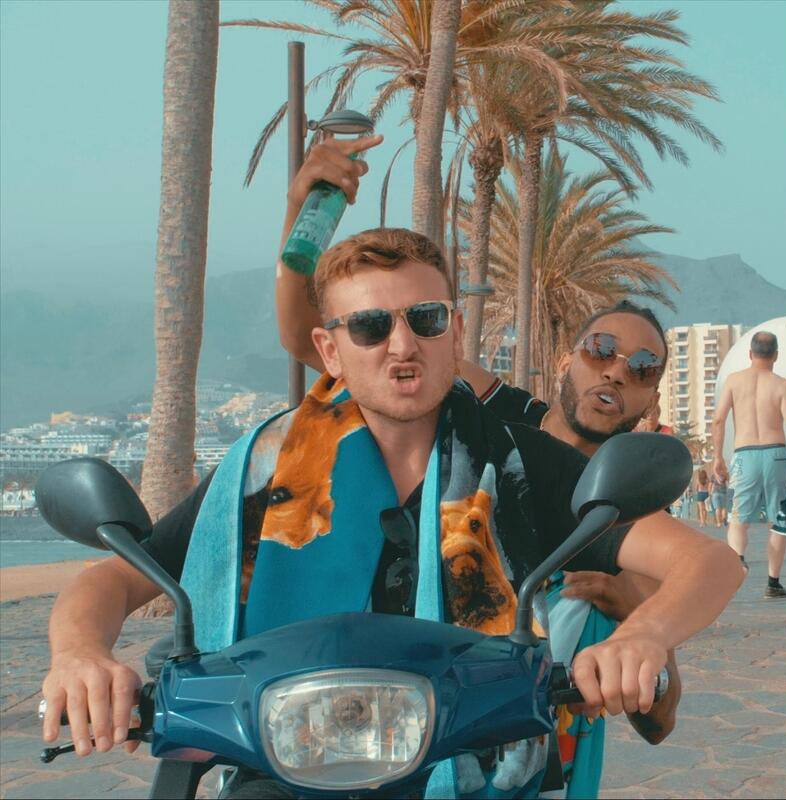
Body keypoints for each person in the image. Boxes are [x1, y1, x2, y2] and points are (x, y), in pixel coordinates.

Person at [42, 150, 742, 800]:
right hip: (283, 768)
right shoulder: (265, 466)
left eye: (425, 319)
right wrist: (80, 656)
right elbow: (115, 577)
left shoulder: (520, 463)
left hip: (476, 769)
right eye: (371, 327)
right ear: (331, 349)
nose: (402, 345)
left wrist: (643, 635)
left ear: (455, 333)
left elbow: (708, 562)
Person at [267, 140, 720, 795]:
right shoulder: (495, 425)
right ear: (567, 359)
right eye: (601, 348)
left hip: (536, 765)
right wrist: (304, 211)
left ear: (652, 399)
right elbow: (319, 336)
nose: (618, 372)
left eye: (643, 368)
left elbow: (660, 722)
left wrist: (636, 627)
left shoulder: (633, 526)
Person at [713, 331, 786, 598]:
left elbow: (718, 420)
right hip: (776, 455)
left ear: (750, 354)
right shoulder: (782, 385)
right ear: (776, 355)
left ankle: (738, 561)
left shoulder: (733, 381)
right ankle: (773, 583)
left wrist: (718, 457)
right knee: (779, 520)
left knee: (738, 518)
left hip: (743, 455)